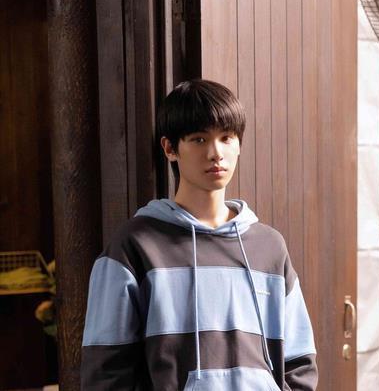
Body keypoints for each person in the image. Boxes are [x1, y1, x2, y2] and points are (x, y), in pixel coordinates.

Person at [81, 79, 318, 390]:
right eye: (199, 139)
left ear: (239, 145)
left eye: (226, 138)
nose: (216, 153)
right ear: (170, 148)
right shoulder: (134, 246)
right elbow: (105, 371)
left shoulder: (269, 247)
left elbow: (300, 362)